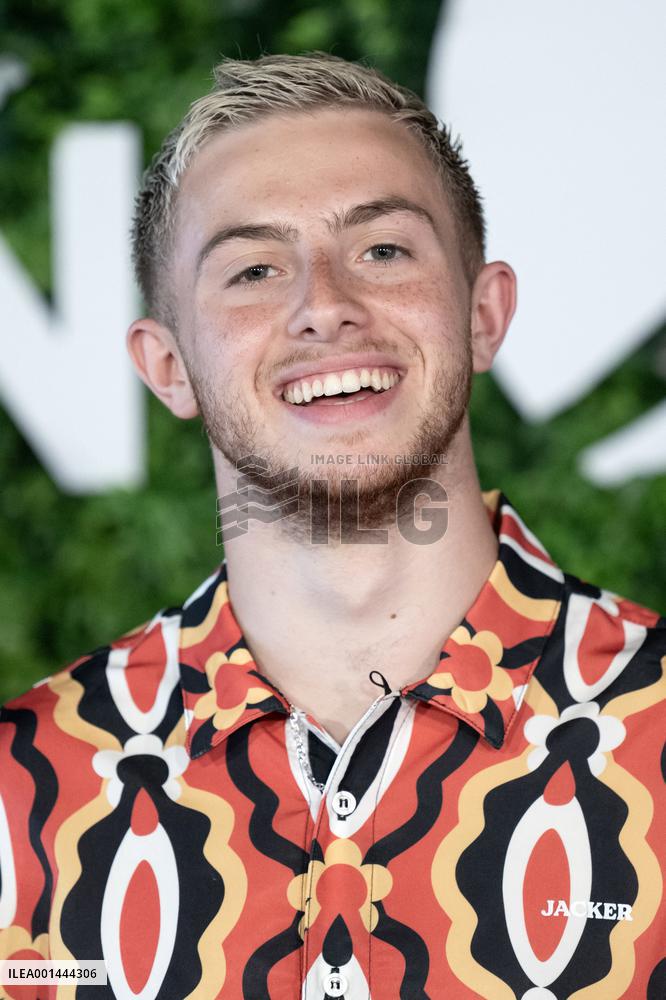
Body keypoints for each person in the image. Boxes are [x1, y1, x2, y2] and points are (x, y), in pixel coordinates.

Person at [0, 52, 663, 1000]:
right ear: (168, 365)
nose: (324, 307)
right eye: (254, 269)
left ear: (484, 314)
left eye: (383, 251)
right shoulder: (17, 793)